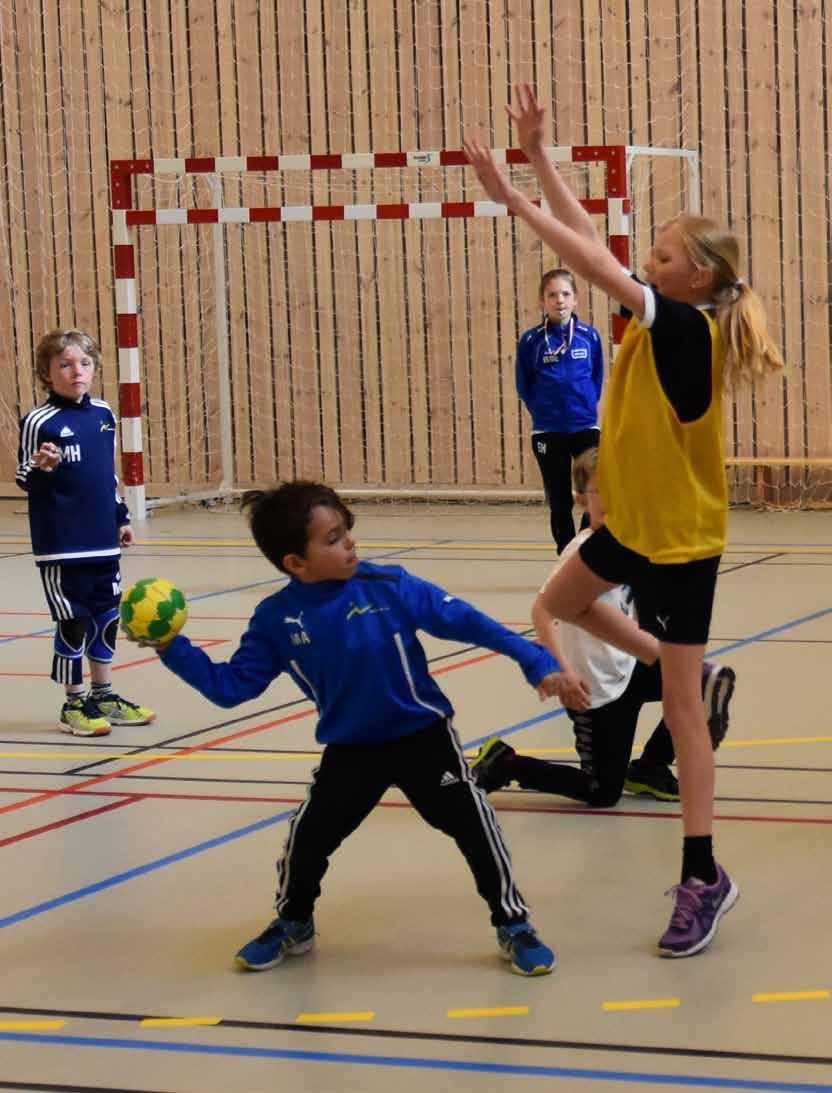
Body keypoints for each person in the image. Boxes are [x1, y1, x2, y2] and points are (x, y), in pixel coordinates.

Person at [463, 83, 784, 958]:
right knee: (562, 598)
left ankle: (702, 875)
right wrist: (535, 155)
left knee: (682, 716)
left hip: (679, 537)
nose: (649, 259)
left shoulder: (686, 329)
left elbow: (592, 262)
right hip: (633, 525)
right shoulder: (664, 315)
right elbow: (601, 249)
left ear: (700, 276)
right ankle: (691, 667)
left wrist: (514, 199)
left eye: (667, 253)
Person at [138, 481, 564, 976]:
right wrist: (174, 649)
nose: (351, 544)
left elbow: (469, 622)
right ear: (295, 562)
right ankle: (293, 921)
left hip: (423, 737)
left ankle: (513, 923)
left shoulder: (389, 585)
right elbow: (232, 687)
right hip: (351, 748)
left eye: (348, 531)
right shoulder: (277, 619)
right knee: (309, 837)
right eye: (333, 538)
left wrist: (534, 659)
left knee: (474, 824)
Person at [471, 447, 736, 807]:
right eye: (600, 491)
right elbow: (541, 611)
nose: (611, 500)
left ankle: (651, 766)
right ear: (582, 498)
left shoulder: (633, 546)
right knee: (602, 792)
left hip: (629, 666)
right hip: (594, 687)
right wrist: (561, 671)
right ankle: (506, 763)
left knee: (702, 682)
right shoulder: (581, 553)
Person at [16, 329, 155, 737]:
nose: (76, 371)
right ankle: (73, 702)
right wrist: (43, 467)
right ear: (47, 373)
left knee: (107, 617)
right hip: (61, 545)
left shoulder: (104, 415)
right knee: (72, 622)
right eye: (64, 364)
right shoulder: (39, 421)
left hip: (102, 540)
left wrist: (120, 517)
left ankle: (104, 694)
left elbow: (105, 476)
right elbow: (23, 477)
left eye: (84, 363)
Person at [516, 268, 604, 553]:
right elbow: (524, 384)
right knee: (559, 500)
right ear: (542, 301)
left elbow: (597, 378)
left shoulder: (590, 337)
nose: (559, 300)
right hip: (548, 431)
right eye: (552, 295)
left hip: (585, 428)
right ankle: (565, 555)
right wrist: (544, 411)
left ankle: (585, 549)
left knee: (594, 494)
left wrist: (585, 406)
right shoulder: (531, 341)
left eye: (566, 294)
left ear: (576, 299)